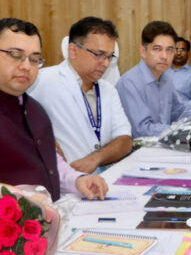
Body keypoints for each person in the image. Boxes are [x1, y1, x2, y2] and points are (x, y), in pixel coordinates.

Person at [0, 18, 107, 201]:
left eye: (34, 59)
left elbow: (50, 163)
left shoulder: (36, 111)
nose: (26, 66)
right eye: (15, 55)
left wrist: (77, 180)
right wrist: (25, 201)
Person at [30, 17, 132, 174]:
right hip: (62, 179)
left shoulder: (108, 90)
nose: (105, 63)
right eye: (99, 54)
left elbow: (124, 140)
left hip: (101, 177)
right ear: (73, 51)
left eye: (109, 56)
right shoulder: (42, 80)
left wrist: (95, 159)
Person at [116, 21, 191, 138]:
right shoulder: (129, 83)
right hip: (140, 147)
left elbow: (179, 112)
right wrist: (182, 130)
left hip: (164, 143)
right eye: (157, 49)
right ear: (143, 51)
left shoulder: (166, 79)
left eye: (169, 50)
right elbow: (142, 130)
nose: (164, 56)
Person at [168, 37, 191, 111]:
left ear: (188, 53)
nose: (178, 53)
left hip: (182, 114)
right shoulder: (161, 72)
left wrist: (179, 107)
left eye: (182, 50)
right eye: (176, 49)